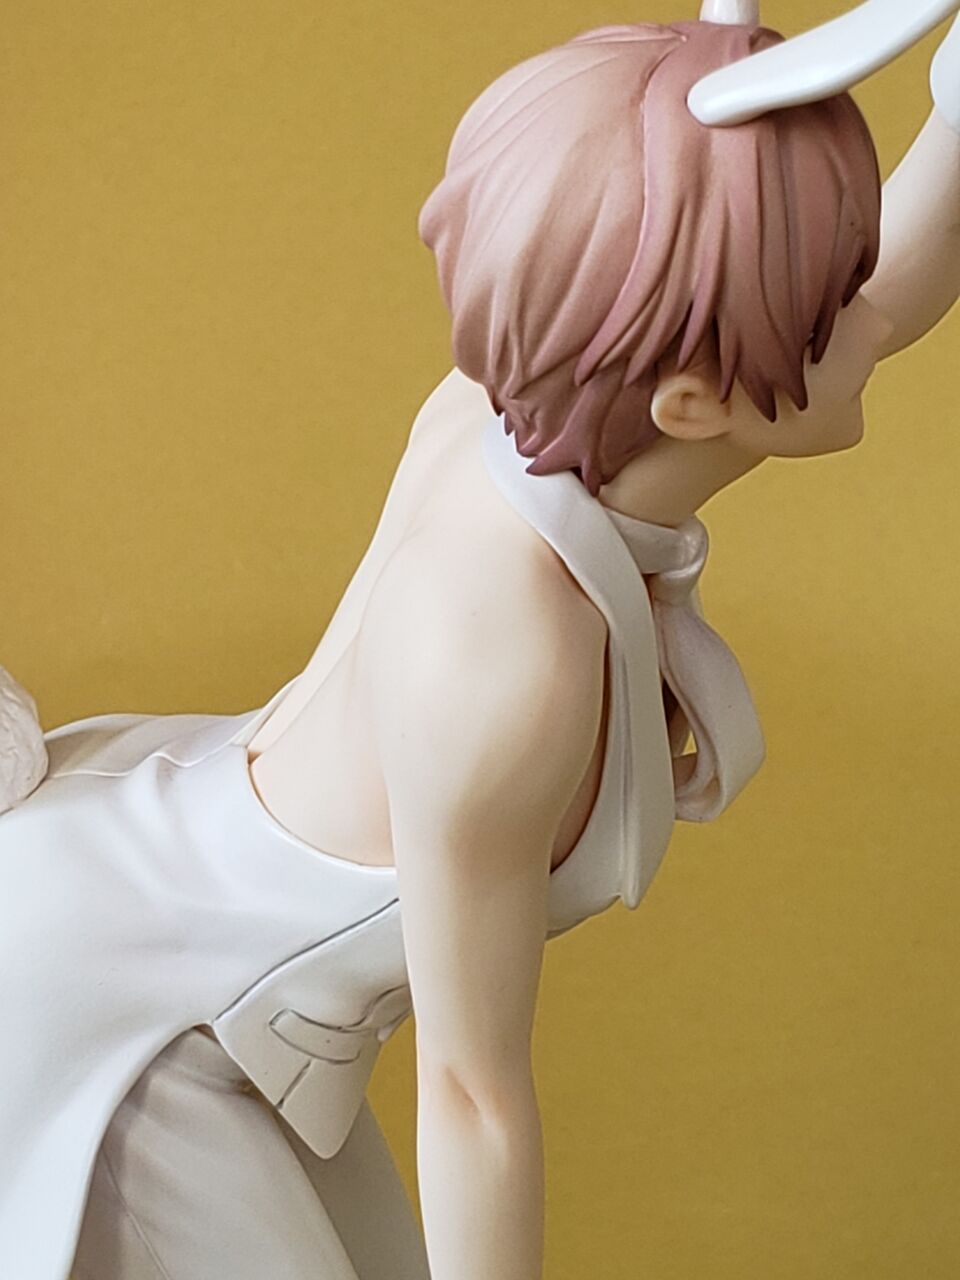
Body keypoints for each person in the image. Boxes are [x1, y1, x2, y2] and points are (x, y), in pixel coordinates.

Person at [0, 4, 956, 1278]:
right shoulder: (506, 650)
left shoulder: (566, 406)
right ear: (693, 398)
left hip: (166, 932)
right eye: (828, 297)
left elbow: (881, 301)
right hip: (125, 1014)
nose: (867, 311)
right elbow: (474, 1090)